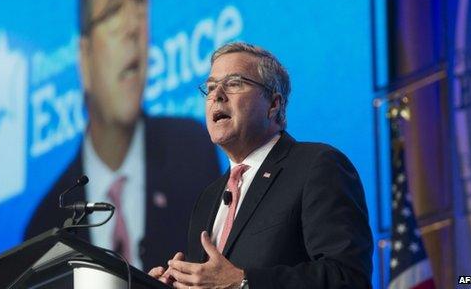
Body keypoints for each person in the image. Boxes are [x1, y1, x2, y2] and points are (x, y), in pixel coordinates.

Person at [24, 0, 219, 271]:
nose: (134, 25)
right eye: (114, 8)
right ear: (84, 57)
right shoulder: (44, 223)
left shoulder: (192, 151)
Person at [149, 42, 373, 288]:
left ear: (273, 104)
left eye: (234, 83)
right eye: (211, 87)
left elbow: (347, 278)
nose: (217, 95)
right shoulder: (207, 198)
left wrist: (243, 282)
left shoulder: (317, 166)